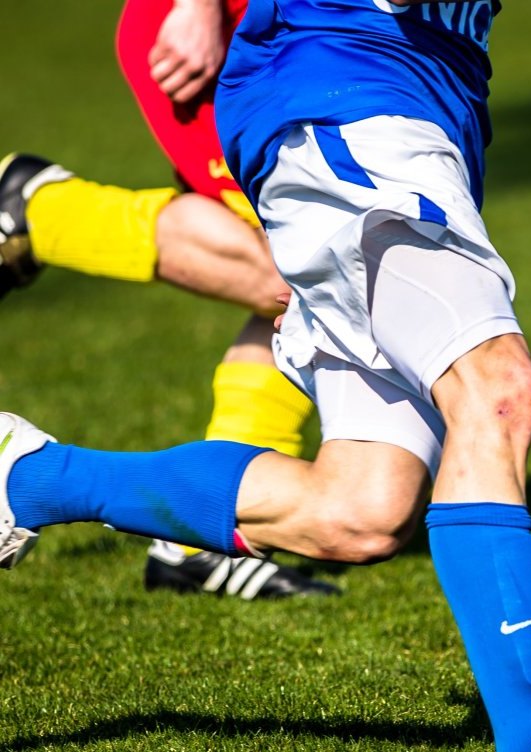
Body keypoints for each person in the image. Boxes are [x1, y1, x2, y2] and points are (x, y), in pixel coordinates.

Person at [0, 0, 531, 752]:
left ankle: (31, 477)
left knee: (361, 508)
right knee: (496, 387)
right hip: (347, 98)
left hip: (410, 111)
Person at [0, 0, 336, 599]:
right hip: (221, 26)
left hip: (304, 36)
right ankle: (43, 211)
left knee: (318, 281)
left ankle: (197, 543)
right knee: (301, 275)